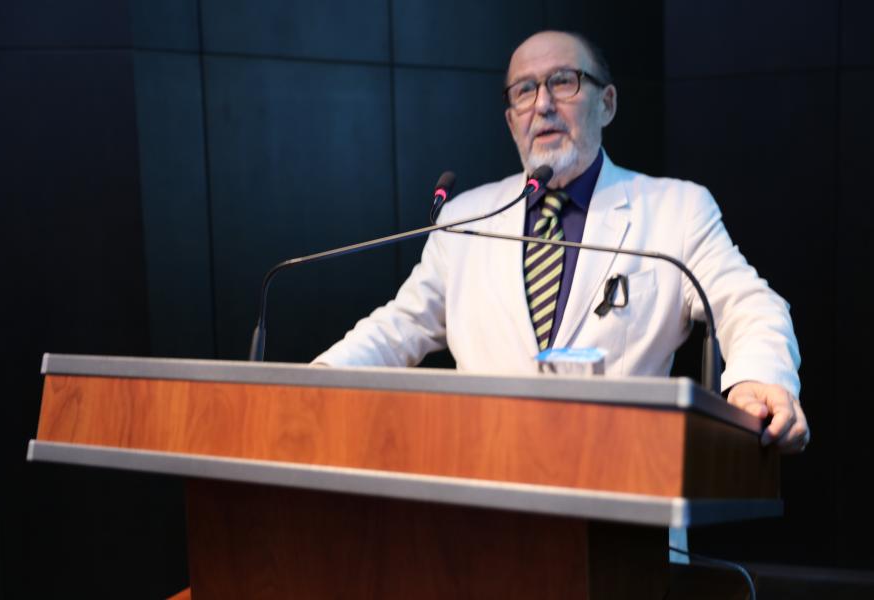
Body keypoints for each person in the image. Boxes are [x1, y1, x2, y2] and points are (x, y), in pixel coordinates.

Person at [314, 30, 809, 454]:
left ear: (606, 103)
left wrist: (759, 378)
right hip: (486, 490)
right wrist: (319, 379)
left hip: (622, 492)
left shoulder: (675, 209)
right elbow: (399, 327)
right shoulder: (464, 218)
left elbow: (748, 303)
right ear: (511, 120)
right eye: (524, 91)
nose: (543, 104)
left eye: (563, 81)